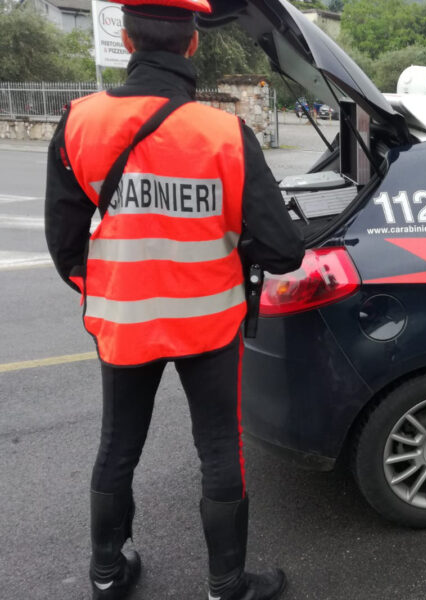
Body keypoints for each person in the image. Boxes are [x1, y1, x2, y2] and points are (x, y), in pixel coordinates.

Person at [43, 0, 305, 597]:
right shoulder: (224, 133)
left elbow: (64, 244)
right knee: (218, 447)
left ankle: (107, 576)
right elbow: (283, 249)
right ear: (192, 46)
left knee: (117, 444)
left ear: (129, 42)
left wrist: (108, 289)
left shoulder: (79, 121)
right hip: (209, 325)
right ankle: (226, 584)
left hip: (123, 324)